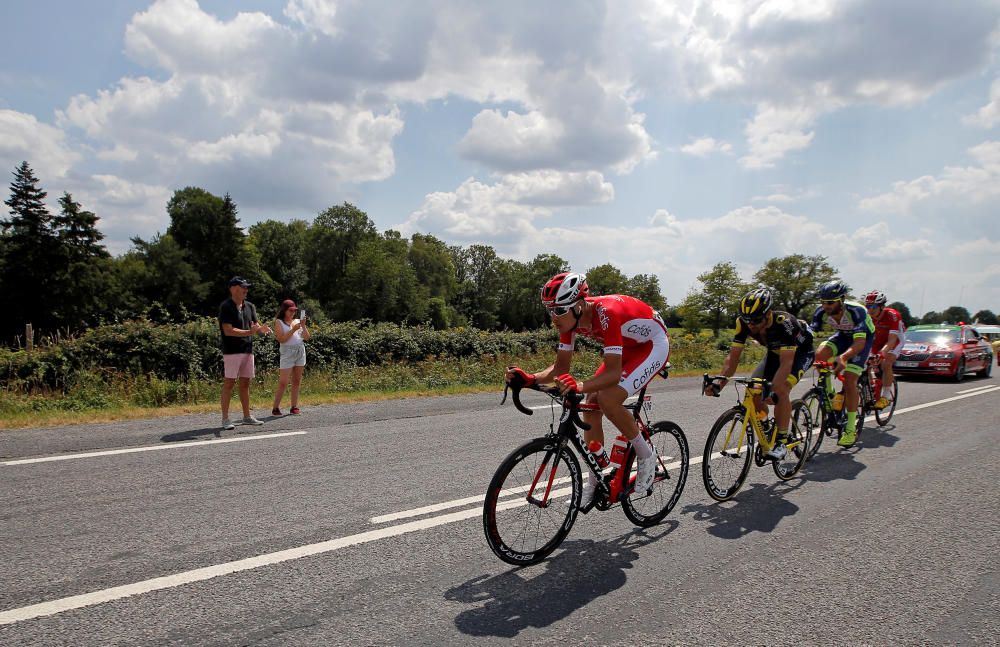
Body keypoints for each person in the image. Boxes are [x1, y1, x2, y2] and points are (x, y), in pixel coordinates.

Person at [504, 272, 669, 509]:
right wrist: (529, 379)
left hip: (652, 345)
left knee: (608, 399)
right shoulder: (568, 319)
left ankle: (646, 455)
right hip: (627, 347)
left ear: (579, 306)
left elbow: (612, 373)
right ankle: (595, 481)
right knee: (591, 404)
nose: (554, 317)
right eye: (550, 310)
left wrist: (580, 385)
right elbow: (561, 368)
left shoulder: (606, 314)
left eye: (559, 310)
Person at [703, 287, 814, 460]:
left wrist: (774, 390)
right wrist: (719, 382)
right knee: (753, 388)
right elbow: (733, 358)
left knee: (781, 389)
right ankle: (765, 427)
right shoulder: (744, 323)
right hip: (774, 353)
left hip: (799, 354)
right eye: (747, 320)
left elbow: (786, 363)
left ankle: (782, 442)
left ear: (768, 313)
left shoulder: (784, 323)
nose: (751, 325)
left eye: (755, 319)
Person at [808, 280, 875, 447]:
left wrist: (843, 358)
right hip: (843, 336)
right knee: (820, 355)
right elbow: (809, 334)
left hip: (862, 340)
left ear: (841, 300)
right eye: (823, 302)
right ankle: (830, 395)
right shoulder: (820, 311)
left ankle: (850, 429)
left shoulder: (857, 311)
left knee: (851, 379)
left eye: (830, 302)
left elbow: (859, 344)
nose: (826, 306)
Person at [218, 276, 271, 430]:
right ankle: (225, 419)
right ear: (233, 289)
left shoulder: (250, 306)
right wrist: (250, 331)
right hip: (232, 352)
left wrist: (262, 331)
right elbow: (228, 331)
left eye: (247, 287)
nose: (246, 290)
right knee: (229, 383)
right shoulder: (226, 306)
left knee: (245, 383)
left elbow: (256, 325)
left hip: (247, 350)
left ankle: (247, 416)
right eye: (243, 287)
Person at [864, 290, 905, 409]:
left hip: (895, 340)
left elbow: (892, 340)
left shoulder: (892, 315)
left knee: (886, 363)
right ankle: (871, 385)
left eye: (873, 307)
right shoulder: (867, 317)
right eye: (868, 306)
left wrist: (882, 354)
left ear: (882, 306)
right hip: (877, 341)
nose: (870, 310)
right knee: (863, 362)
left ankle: (886, 396)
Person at [272, 299, 310, 415]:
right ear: (284, 310)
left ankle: (294, 406)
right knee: (283, 382)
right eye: (290, 310)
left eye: (294, 310)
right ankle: (275, 407)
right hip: (287, 353)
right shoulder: (279, 322)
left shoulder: (297, 321)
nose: (293, 313)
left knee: (296, 380)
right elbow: (281, 339)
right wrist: (293, 330)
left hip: (300, 351)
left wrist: (303, 326)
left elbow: (307, 337)